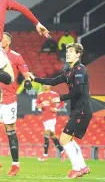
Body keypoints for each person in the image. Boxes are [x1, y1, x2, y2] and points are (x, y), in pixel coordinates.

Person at [30, 43, 91, 178]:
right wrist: (34, 78)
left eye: (71, 51)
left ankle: (77, 168)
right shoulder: (69, 71)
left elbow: (79, 90)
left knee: (63, 140)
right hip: (77, 110)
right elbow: (52, 81)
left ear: (78, 54)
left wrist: (60, 98)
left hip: (82, 110)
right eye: (67, 51)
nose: (67, 53)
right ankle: (83, 167)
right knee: (68, 139)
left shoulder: (80, 69)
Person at [0, 32, 32, 176]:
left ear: (8, 42)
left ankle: (15, 164)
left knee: (10, 130)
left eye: (2, 39)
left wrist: (28, 80)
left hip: (9, 98)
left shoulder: (16, 56)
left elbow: (25, 71)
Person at [36, 85, 66, 162]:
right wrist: (38, 106)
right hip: (44, 118)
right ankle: (62, 151)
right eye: (44, 84)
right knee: (52, 136)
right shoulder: (40, 95)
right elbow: (37, 105)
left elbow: (62, 103)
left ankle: (45, 155)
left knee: (46, 134)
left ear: (50, 86)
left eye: (47, 84)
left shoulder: (54, 94)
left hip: (52, 117)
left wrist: (56, 108)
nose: (45, 86)